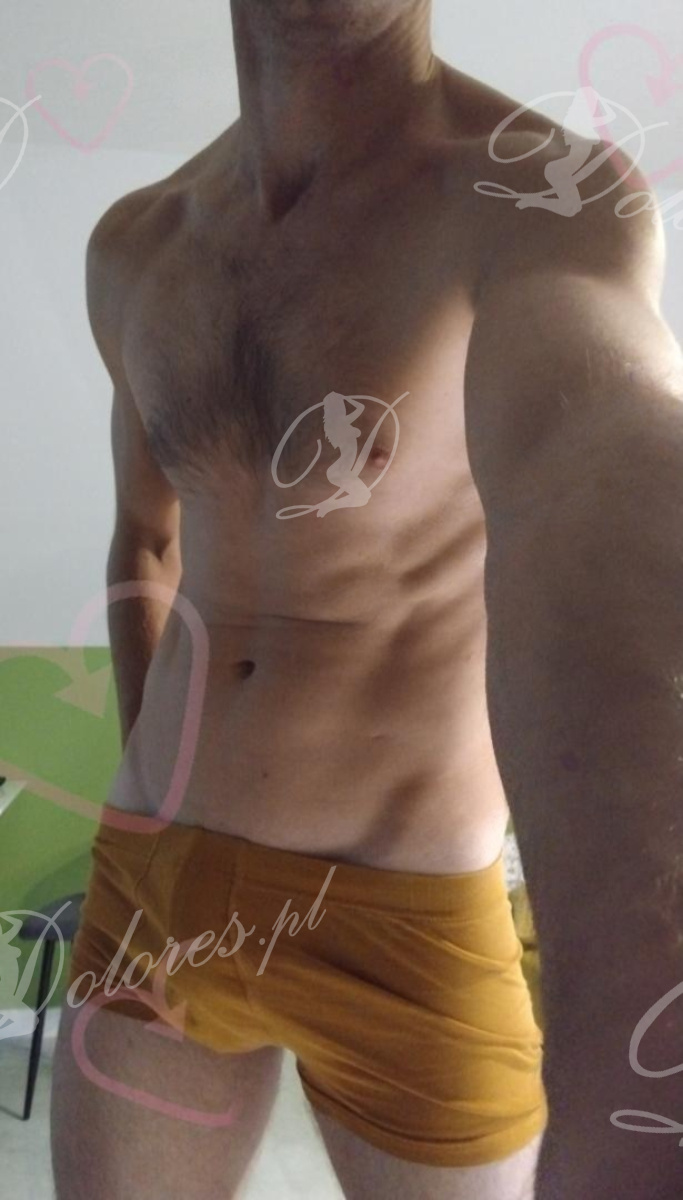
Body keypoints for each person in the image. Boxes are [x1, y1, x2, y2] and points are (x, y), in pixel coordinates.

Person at [51, 2, 683, 1197]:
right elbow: (146, 538)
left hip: (405, 916)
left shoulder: (535, 199)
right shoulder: (137, 243)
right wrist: (146, 815)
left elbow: (594, 463)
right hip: (155, 886)